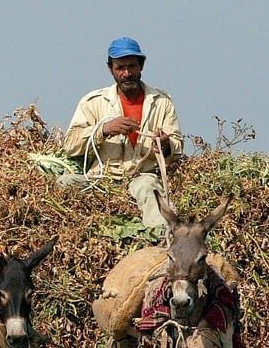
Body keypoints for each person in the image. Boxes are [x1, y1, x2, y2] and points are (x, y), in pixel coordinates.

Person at [59, 37, 183, 231]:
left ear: (141, 66)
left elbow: (175, 147)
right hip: (101, 179)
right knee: (64, 183)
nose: (127, 73)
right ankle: (72, 232)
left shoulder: (161, 102)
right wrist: (104, 130)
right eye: (120, 68)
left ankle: (159, 239)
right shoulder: (93, 102)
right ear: (111, 69)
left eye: (132, 67)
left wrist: (165, 144)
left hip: (142, 176)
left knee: (148, 188)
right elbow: (70, 145)